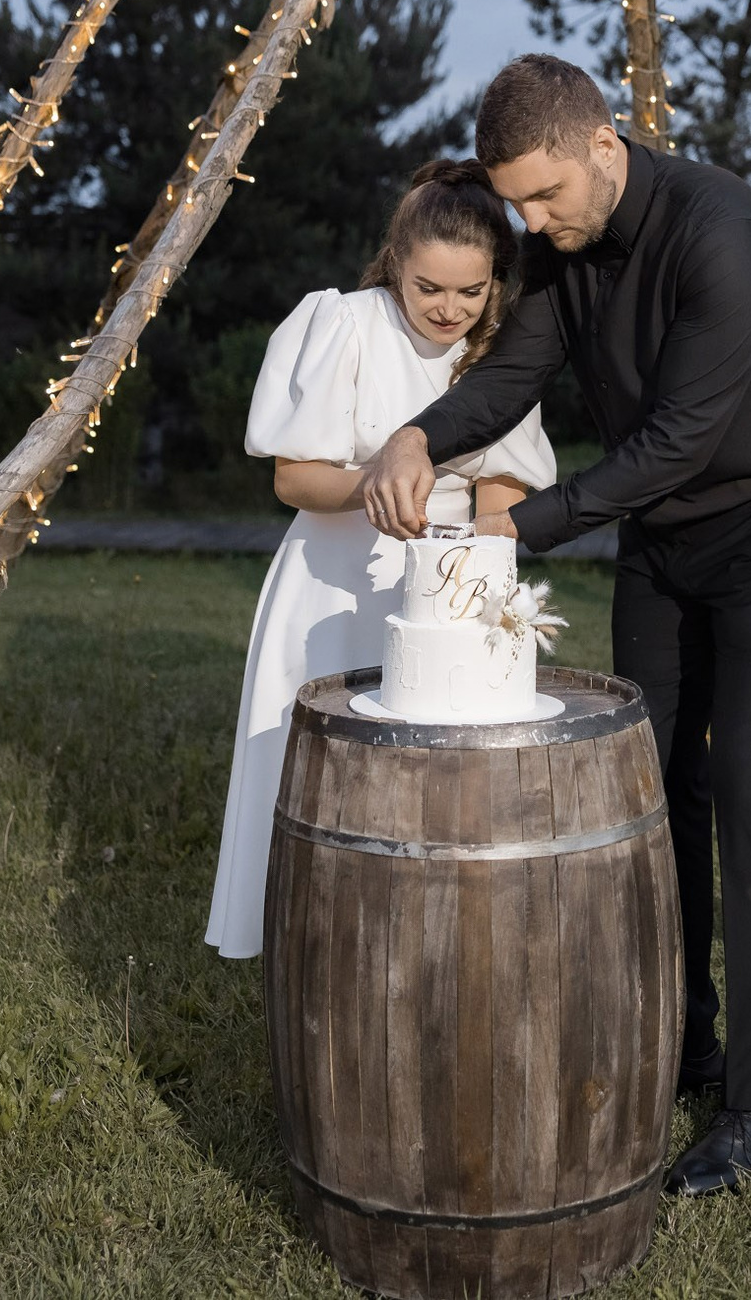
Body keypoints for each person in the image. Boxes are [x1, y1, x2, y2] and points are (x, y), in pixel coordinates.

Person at [357, 54, 751, 1197]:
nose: (528, 222)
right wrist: (420, 435)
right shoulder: (563, 251)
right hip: (661, 544)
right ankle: (682, 1042)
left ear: (601, 143)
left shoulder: (725, 226)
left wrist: (522, 526)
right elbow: (515, 372)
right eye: (514, 202)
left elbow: (678, 436)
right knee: (652, 786)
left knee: (748, 789)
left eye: (543, 196)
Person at [203, 161, 556, 959]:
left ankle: (420, 941)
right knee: (320, 765)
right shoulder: (346, 323)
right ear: (396, 261)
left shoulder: (498, 351)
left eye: (471, 292)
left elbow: (503, 486)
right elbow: (292, 475)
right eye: (430, 286)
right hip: (332, 583)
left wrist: (478, 580)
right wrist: (383, 478)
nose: (449, 309)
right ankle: (304, 939)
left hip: (447, 588)